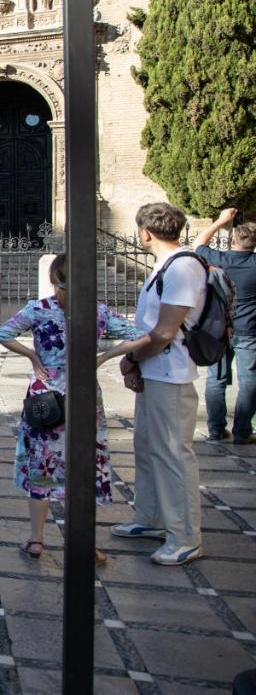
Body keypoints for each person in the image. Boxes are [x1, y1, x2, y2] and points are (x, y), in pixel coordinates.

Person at [0, 253, 144, 563]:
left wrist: (33, 357)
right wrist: (104, 357)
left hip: (46, 394)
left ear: (53, 278)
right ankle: (85, 544)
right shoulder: (97, 311)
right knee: (83, 464)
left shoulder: (38, 309)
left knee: (42, 463)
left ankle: (36, 540)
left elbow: (3, 334)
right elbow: (140, 336)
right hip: (83, 393)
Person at [114, 202, 208, 566]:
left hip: (171, 373)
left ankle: (185, 535)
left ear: (145, 232)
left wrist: (131, 358)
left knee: (172, 454)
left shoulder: (183, 267)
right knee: (147, 446)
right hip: (155, 371)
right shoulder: (165, 266)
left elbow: (166, 331)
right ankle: (150, 517)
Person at [194, 208, 256, 443]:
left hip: (218, 329)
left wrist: (221, 221)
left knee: (215, 377)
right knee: (250, 379)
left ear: (232, 240)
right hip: (248, 330)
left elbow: (199, 243)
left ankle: (216, 430)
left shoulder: (219, 259)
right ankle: (242, 431)